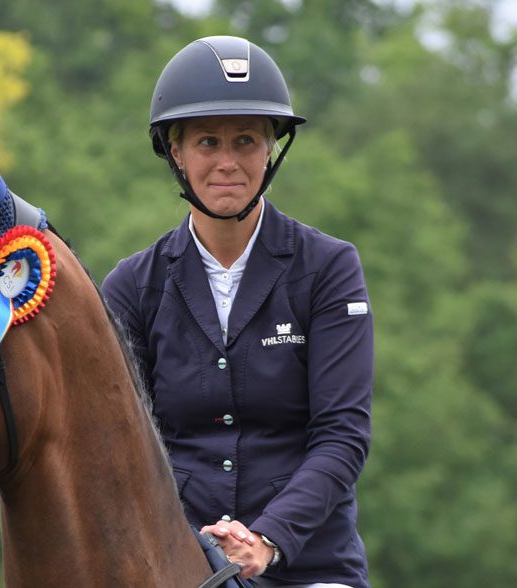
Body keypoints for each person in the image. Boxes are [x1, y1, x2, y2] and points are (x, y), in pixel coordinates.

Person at [102, 36, 373, 588]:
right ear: (176, 153)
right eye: (208, 141)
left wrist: (268, 539)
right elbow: (120, 448)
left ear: (269, 150)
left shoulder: (329, 268)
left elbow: (342, 435)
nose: (227, 162)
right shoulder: (132, 287)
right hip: (174, 564)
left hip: (308, 565)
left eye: (245, 140)